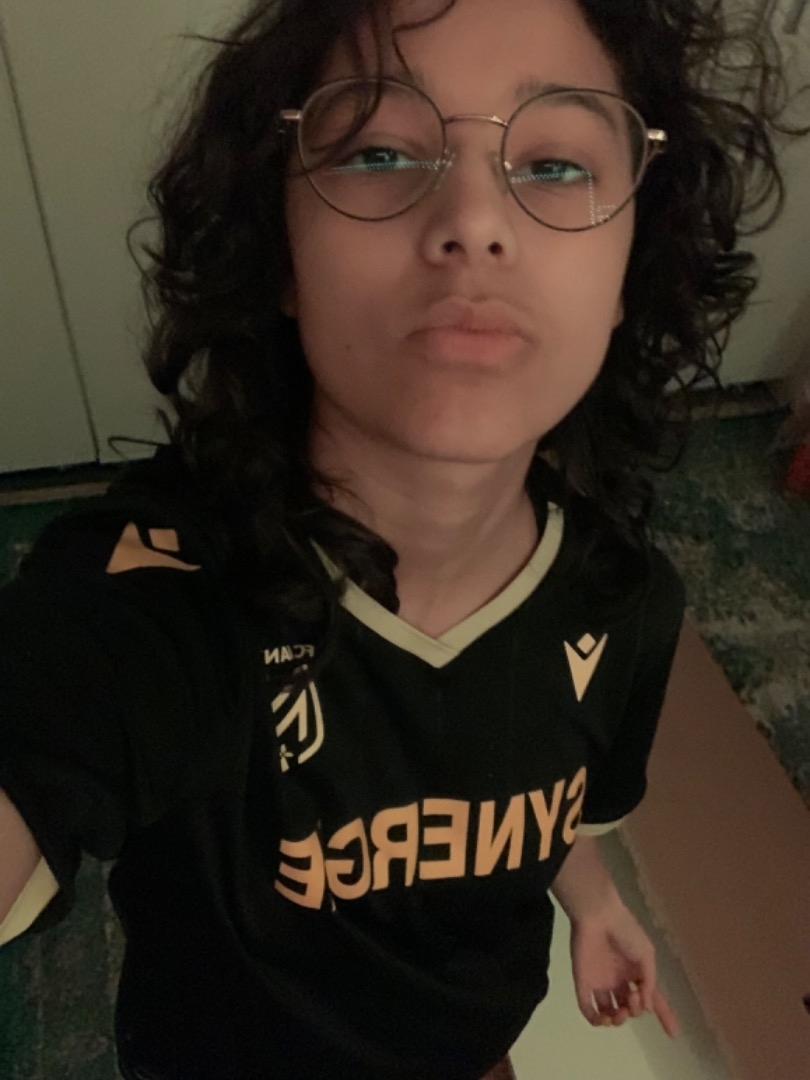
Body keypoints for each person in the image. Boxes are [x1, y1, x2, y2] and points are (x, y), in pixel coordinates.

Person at [0, 0, 796, 1077]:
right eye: (379, 150)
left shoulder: (626, 599)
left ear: (628, 270)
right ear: (281, 252)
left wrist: (596, 905)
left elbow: (546, 797)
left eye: (555, 165)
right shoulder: (159, 599)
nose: (474, 220)